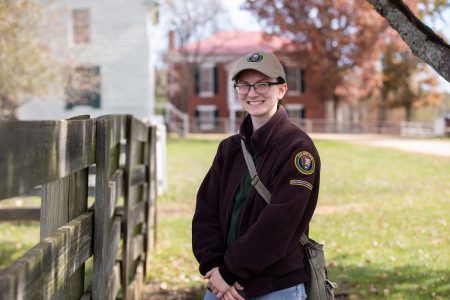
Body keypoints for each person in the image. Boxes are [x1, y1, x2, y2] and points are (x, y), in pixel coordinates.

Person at [192, 51, 320, 300]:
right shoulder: (228, 149)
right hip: (223, 285)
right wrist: (213, 266)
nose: (252, 93)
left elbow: (280, 223)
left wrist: (230, 271)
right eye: (244, 85)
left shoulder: (298, 149)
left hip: (276, 287)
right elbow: (205, 211)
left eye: (263, 84)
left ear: (281, 90)